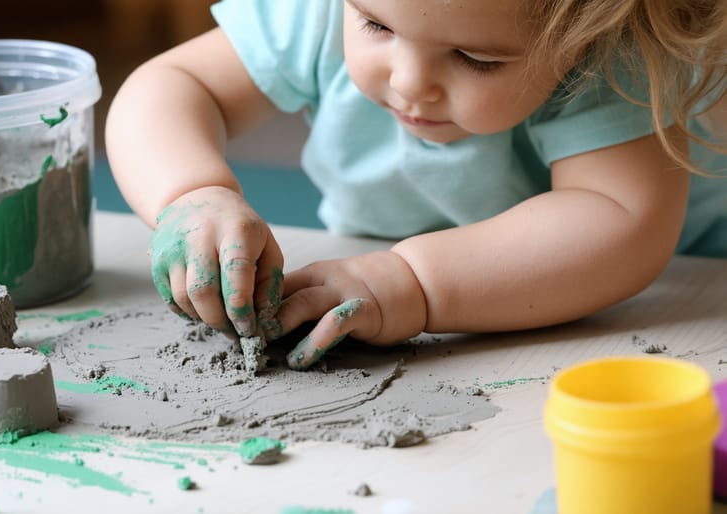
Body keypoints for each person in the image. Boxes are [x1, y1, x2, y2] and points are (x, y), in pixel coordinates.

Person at [105, 0, 727, 370]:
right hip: (375, 255)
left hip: (666, 289)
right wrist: (190, 194)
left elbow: (620, 221)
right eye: (376, 26)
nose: (409, 81)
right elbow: (175, 85)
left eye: (477, 59)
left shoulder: (597, 50)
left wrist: (411, 283)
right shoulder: (323, 11)